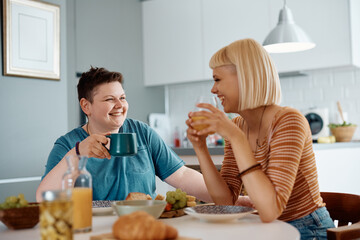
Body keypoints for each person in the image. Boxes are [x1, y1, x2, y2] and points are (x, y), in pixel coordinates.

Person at [186, 39, 334, 239]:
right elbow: (226, 202)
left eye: (217, 79)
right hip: (268, 228)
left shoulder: (289, 121)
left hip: (307, 229)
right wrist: (200, 148)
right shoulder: (238, 125)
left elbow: (270, 210)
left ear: (245, 78)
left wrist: (236, 138)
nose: (213, 89)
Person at [36, 67, 212, 203]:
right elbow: (44, 198)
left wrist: (230, 199)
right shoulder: (69, 144)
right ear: (86, 106)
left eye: (123, 97)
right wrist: (77, 153)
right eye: (110, 99)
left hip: (143, 225)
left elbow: (181, 175)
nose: (120, 105)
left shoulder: (143, 133)